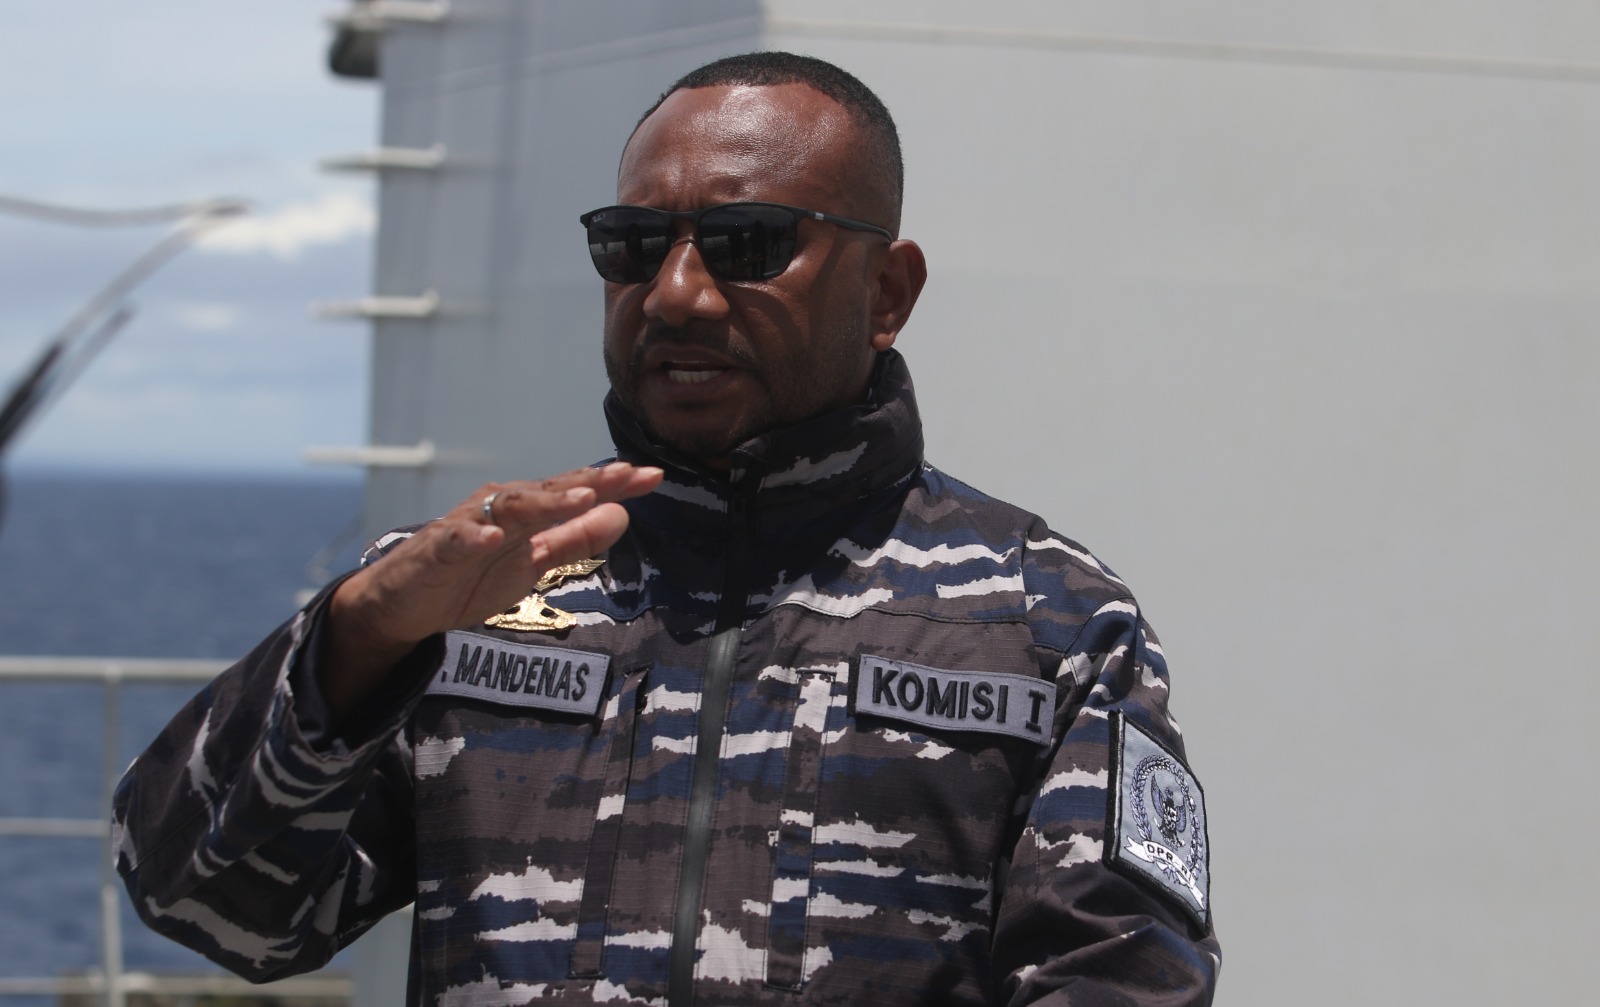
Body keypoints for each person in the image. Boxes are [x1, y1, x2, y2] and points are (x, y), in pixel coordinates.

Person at [113, 52, 1220, 1006]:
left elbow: (1122, 977)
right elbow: (209, 906)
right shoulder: (467, 593)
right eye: (634, 245)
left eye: (748, 242)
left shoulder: (1045, 623)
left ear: (887, 291)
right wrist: (350, 642)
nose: (676, 292)